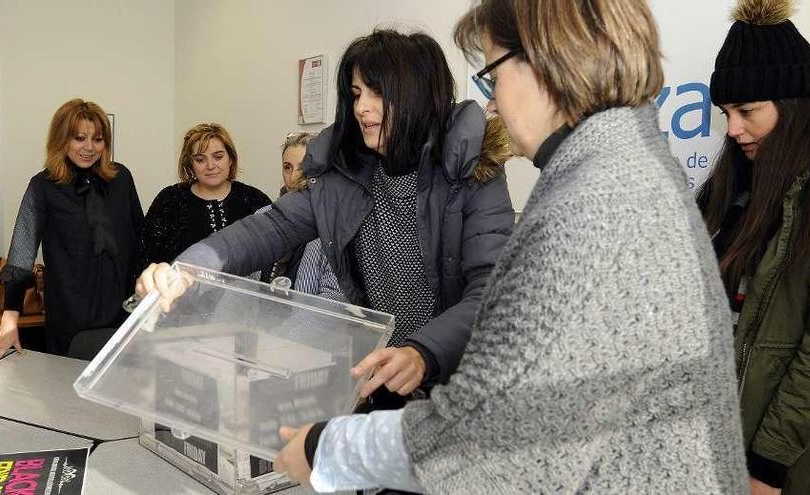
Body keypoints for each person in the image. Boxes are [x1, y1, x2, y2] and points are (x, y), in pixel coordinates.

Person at [271, 0, 749, 492]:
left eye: (493, 76)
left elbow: (493, 438)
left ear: (545, 63)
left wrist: (326, 448)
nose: (493, 103)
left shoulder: (591, 205)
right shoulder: (627, 168)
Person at [137, 29, 516, 410]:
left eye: (376, 93)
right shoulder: (345, 176)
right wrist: (189, 268)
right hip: (384, 378)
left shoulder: (473, 173)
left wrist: (423, 353)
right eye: (355, 95)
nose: (362, 108)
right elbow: (270, 227)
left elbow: (491, 291)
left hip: (461, 386)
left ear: (417, 94)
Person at [697, 1, 810, 493]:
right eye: (726, 113)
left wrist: (767, 463)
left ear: (794, 104)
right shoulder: (728, 192)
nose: (734, 128)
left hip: (777, 465)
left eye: (747, 111)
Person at [0, 99, 143, 358]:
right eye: (80, 138)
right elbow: (21, 253)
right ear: (62, 139)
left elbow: (140, 238)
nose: (89, 148)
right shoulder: (43, 186)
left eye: (97, 139)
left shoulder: (121, 178)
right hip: (70, 311)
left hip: (122, 309)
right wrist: (10, 318)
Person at [139, 123, 271, 267]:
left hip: (244, 289)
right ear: (190, 164)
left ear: (231, 159)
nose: (210, 165)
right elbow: (146, 259)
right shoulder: (170, 200)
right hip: (184, 288)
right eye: (200, 159)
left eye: (218, 157)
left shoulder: (254, 200)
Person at [260, 132, 345, 301]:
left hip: (308, 326)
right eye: (287, 167)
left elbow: (334, 299)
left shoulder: (338, 228)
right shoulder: (262, 215)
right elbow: (244, 284)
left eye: (303, 167)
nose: (293, 178)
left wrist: (290, 329)